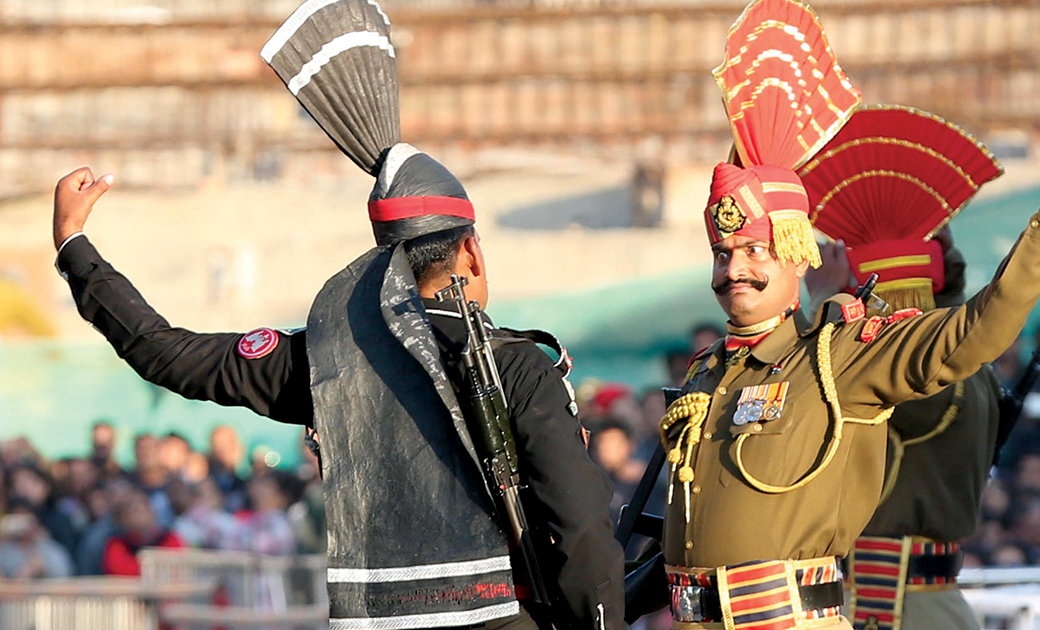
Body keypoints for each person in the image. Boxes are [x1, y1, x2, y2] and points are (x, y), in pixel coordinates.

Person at [52, 1, 623, 628]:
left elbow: (165, 352)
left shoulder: (327, 362)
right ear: (469, 250)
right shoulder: (519, 367)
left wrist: (75, 246)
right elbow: (580, 527)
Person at [652, 1, 1040, 628]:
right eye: (722, 254)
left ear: (798, 253)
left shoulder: (842, 353)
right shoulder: (708, 372)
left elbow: (977, 329)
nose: (734, 270)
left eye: (755, 250)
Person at [801, 105, 1005, 630]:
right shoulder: (964, 351)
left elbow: (811, 395)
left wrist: (822, 307)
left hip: (893, 605)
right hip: (916, 601)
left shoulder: (926, 360)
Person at [101, 489, 185, 576]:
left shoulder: (169, 538)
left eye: (145, 509)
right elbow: (118, 569)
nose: (141, 515)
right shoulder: (117, 542)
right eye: (134, 511)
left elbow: (176, 567)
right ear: (122, 518)